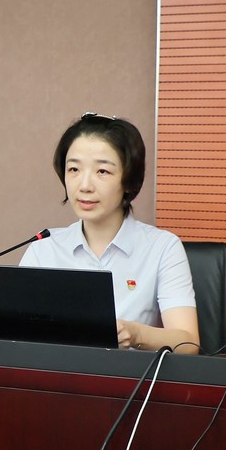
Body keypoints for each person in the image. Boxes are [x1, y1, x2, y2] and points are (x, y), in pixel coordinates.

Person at [20, 113, 199, 352]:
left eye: (102, 171)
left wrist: (136, 334)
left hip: (132, 375)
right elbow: (16, 338)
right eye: (74, 169)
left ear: (129, 181)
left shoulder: (163, 247)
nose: (84, 185)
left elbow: (188, 344)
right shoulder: (43, 248)